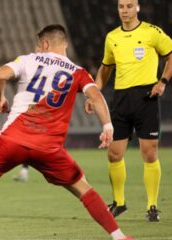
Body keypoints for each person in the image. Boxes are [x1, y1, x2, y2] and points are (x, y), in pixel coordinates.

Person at [0, 24, 133, 240]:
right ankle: (119, 236)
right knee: (83, 188)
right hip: (49, 149)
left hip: (12, 141)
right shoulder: (78, 72)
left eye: (38, 44)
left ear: (45, 43)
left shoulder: (28, 60)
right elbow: (96, 96)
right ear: (66, 44)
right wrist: (107, 126)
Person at [85, 0, 172, 221]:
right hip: (121, 99)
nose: (125, 10)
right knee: (114, 154)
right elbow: (106, 67)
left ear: (138, 8)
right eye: (121, 6)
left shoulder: (152, 32)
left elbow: (171, 55)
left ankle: (152, 206)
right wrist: (93, 94)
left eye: (129, 6)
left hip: (146, 98)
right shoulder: (112, 37)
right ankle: (119, 203)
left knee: (149, 153)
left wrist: (162, 81)